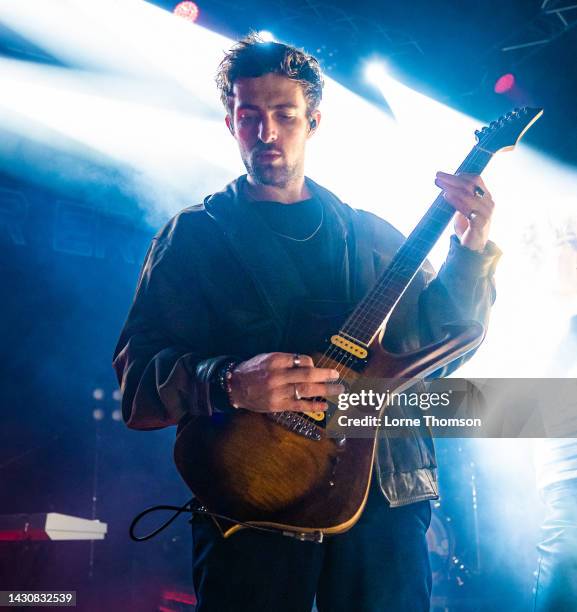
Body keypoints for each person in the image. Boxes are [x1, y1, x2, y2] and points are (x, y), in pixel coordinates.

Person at [113, 34, 501, 612]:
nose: (266, 133)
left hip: (384, 495)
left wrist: (472, 247)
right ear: (229, 123)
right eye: (249, 116)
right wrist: (227, 381)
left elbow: (445, 352)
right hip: (252, 500)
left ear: (313, 120)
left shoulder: (372, 236)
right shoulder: (194, 238)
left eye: (284, 115)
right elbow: (138, 382)